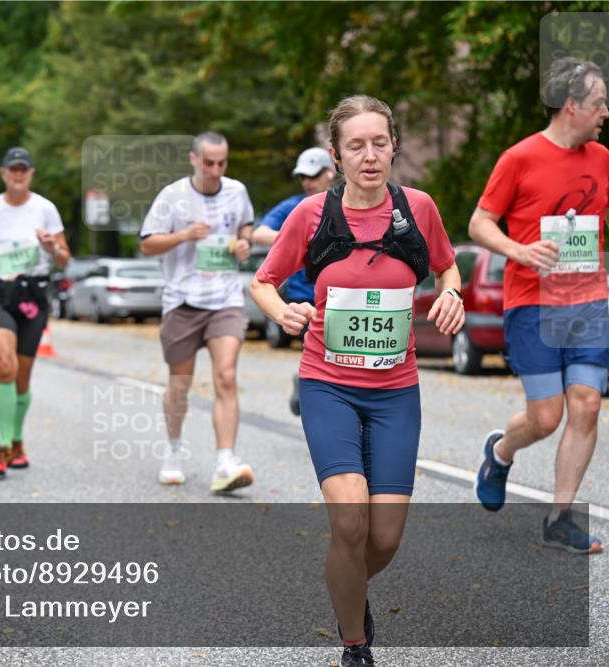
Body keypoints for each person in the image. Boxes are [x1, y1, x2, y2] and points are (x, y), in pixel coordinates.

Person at [251, 95, 463, 667]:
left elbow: (446, 265)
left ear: (394, 145)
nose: (369, 156)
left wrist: (452, 293)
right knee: (349, 519)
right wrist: (282, 313)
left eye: (379, 143)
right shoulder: (312, 215)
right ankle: (354, 643)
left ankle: (348, 586)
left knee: (383, 538)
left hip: (396, 390)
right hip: (328, 385)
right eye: (355, 146)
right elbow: (264, 281)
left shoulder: (418, 208)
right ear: (336, 156)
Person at [470, 58, 608, 554]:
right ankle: (501, 452)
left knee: (587, 404)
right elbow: (480, 223)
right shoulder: (519, 158)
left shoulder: (603, 158)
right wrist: (519, 250)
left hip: (589, 301)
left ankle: (560, 519)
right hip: (533, 303)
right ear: (571, 107)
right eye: (598, 104)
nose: (605, 112)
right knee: (546, 418)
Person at [139, 131, 256, 492]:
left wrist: (244, 244)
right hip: (182, 302)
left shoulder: (236, 191)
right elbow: (147, 243)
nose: (216, 169)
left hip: (224, 300)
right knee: (180, 384)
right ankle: (173, 451)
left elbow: (245, 226)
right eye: (209, 163)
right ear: (193, 159)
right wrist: (184, 235)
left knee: (226, 376)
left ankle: (225, 461)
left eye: (222, 162)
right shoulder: (172, 196)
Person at [0, 147, 70, 476]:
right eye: (13, 169)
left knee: (22, 377)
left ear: (32, 173)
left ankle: (19, 439)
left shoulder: (45, 209)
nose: (19, 174)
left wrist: (52, 247)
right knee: (5, 365)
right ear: (3, 173)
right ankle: (4, 445)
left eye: (24, 169)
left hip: (33, 295)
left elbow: (64, 258)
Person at [253, 147, 337, 416]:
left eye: (313, 175)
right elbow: (259, 234)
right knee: (323, 354)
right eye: (302, 177)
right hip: (305, 300)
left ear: (330, 172)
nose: (307, 182)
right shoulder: (295, 207)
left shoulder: (348, 204)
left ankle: (308, 382)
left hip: (343, 297)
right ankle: (311, 387)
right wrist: (297, 239)